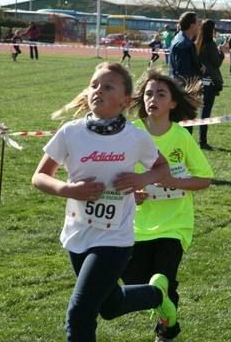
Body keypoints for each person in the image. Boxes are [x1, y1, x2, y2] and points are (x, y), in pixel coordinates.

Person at [31, 62, 176, 341]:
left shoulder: (135, 137)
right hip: (77, 233)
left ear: (124, 101)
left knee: (80, 312)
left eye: (107, 86)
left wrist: (141, 180)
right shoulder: (70, 132)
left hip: (115, 238)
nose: (98, 90)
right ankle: (157, 294)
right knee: (110, 306)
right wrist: (67, 189)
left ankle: (156, 294)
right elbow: (40, 176)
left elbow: (162, 169)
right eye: (94, 84)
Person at [123, 70, 212, 342]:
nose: (153, 99)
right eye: (149, 93)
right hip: (137, 224)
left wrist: (173, 181)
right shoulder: (130, 133)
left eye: (161, 94)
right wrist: (130, 194)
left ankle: (164, 333)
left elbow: (204, 179)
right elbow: (116, 175)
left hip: (175, 224)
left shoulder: (181, 138)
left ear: (173, 103)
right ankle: (169, 322)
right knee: (135, 283)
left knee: (164, 277)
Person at [195, 19, 225, 150]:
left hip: (199, 80)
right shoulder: (210, 44)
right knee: (206, 111)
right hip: (210, 80)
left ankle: (200, 139)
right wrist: (221, 53)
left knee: (198, 110)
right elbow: (216, 62)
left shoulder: (197, 43)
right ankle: (203, 140)